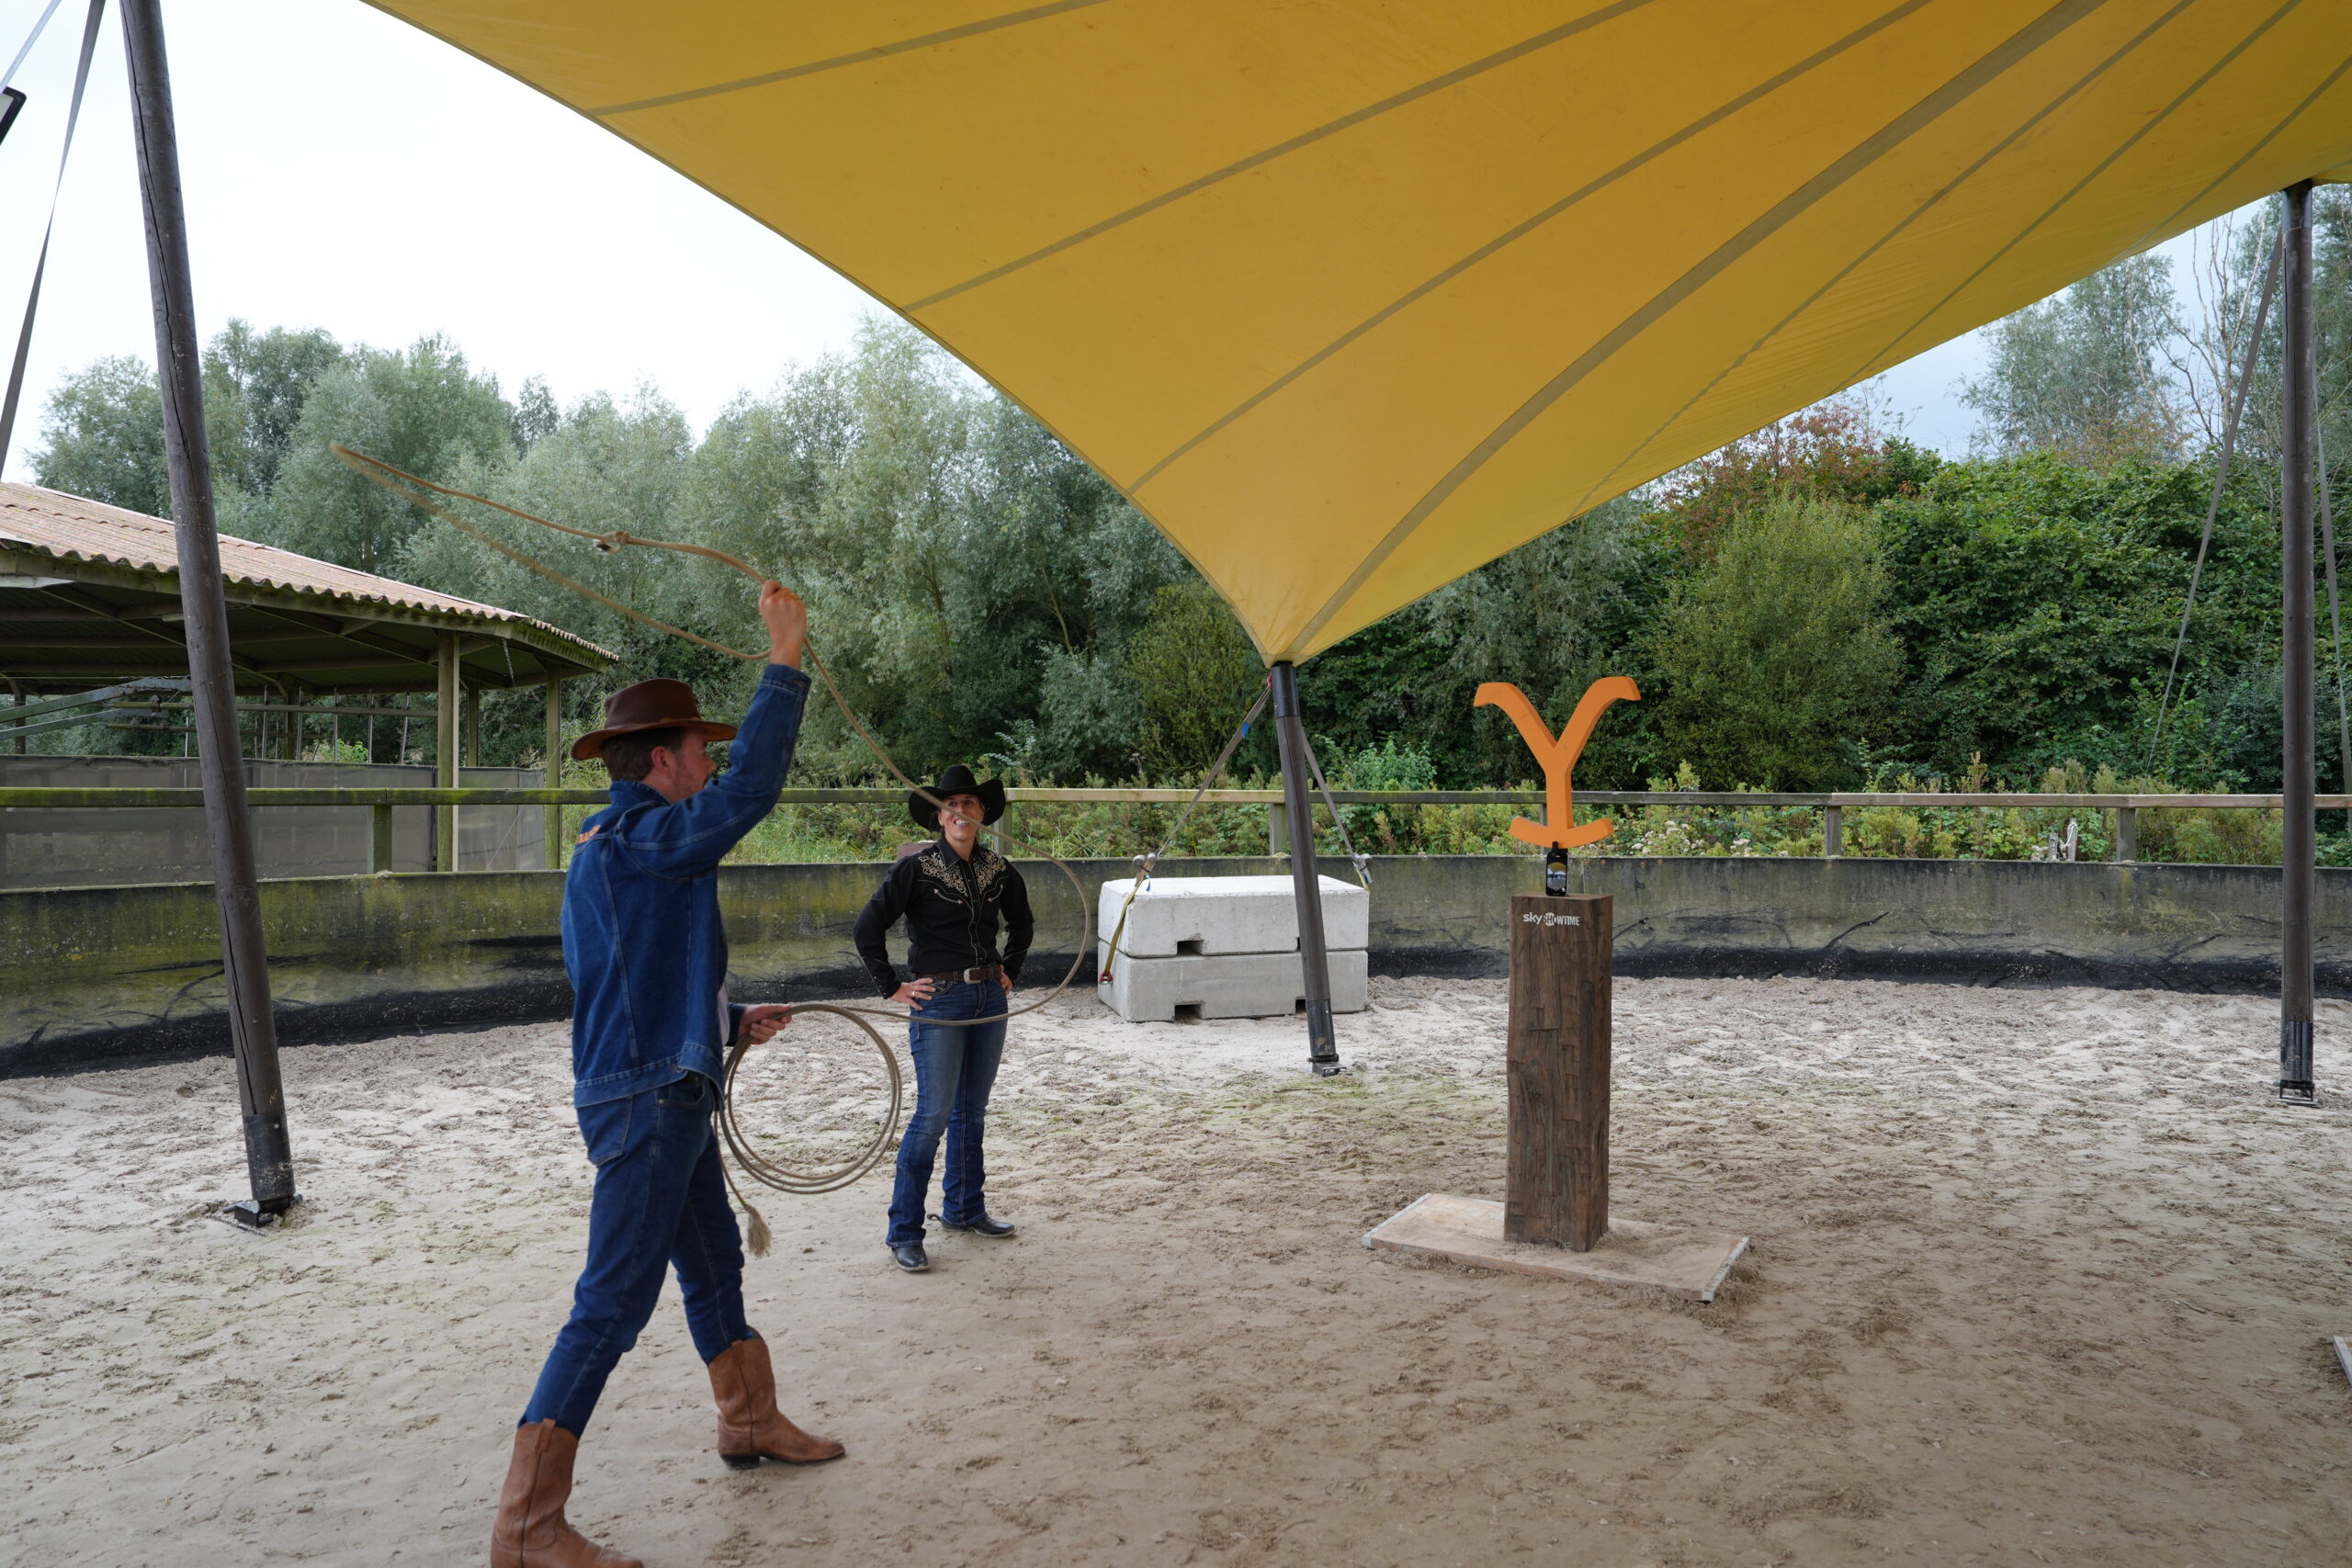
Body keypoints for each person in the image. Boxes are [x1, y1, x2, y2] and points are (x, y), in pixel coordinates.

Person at [491, 581, 843, 1568]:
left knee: (714, 1265)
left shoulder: (615, 847)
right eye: (699, 748)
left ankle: (749, 1421)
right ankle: (526, 1526)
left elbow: (625, 980)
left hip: (659, 1087)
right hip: (650, 1100)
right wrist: (784, 661)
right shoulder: (644, 840)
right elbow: (750, 792)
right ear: (661, 762)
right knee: (610, 1303)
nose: (710, 761)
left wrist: (723, 1021)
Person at [853, 763, 1035, 1273]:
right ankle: (904, 1232)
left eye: (969, 803)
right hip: (939, 999)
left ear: (982, 814)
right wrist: (893, 986)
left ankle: (964, 1209)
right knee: (933, 1115)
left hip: (988, 999)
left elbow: (1023, 923)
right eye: (950, 805)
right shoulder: (915, 869)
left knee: (971, 1110)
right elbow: (867, 928)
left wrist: (1010, 970)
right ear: (939, 817)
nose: (960, 811)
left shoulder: (999, 868)